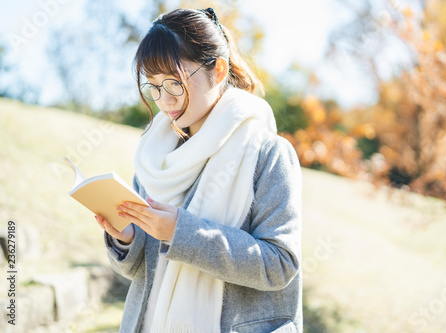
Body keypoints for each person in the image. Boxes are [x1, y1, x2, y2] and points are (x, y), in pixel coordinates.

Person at [95, 7, 302, 333]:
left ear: (218, 70)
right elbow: (142, 272)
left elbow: (279, 265)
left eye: (174, 83)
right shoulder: (155, 157)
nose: (165, 101)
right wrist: (126, 238)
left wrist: (184, 234)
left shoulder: (269, 154)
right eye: (154, 87)